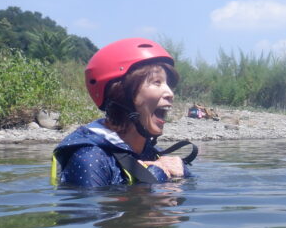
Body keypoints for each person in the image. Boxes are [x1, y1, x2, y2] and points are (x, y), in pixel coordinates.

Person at [52, 38, 196, 186]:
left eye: (169, 84)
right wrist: (153, 178)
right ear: (121, 93)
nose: (170, 93)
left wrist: (181, 174)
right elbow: (89, 207)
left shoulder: (151, 152)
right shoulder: (89, 158)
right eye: (157, 82)